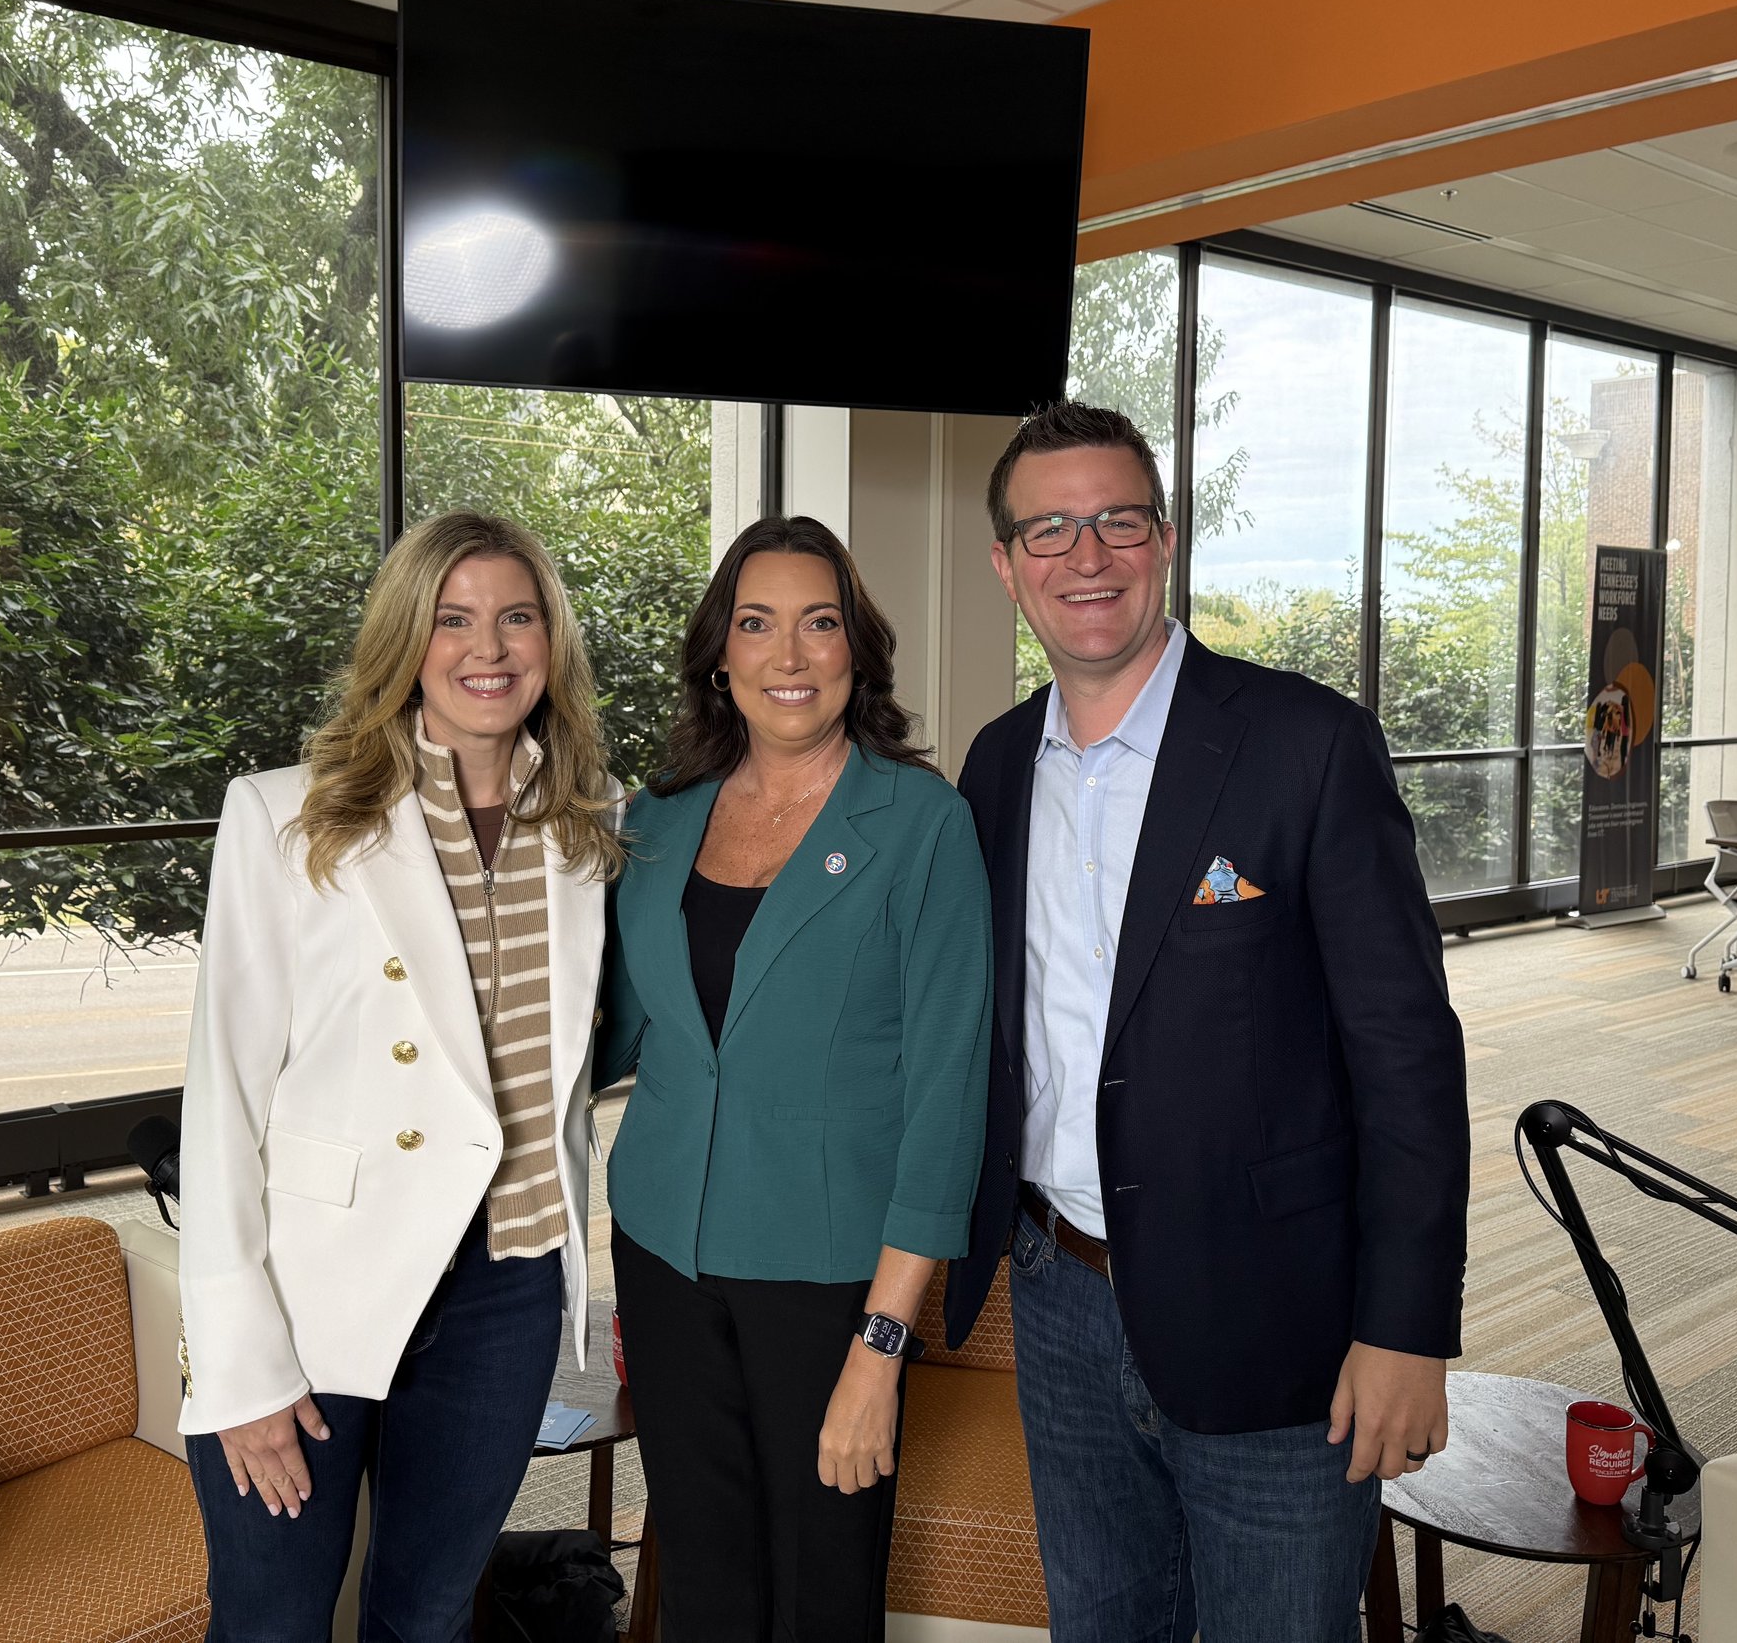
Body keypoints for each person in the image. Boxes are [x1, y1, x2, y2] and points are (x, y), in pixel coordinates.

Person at [943, 403, 1471, 1643]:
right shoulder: (995, 766)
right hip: (1059, 1294)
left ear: (1164, 540)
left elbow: (1405, 1057)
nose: (1087, 556)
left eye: (1117, 521)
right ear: (1005, 564)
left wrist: (1404, 1328)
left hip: (1273, 1312)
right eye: (1051, 530)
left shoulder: (1304, 744)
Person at [176, 511, 625, 1641]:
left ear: (550, 640)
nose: (489, 646)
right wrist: (240, 1367)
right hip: (320, 1284)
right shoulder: (287, 813)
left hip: (507, 1286)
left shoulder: (590, 825)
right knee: (271, 1619)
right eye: (453, 619)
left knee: (426, 1617)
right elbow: (222, 1101)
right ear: (405, 642)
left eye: (516, 617)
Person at [596, 514, 992, 1642]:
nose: (788, 654)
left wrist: (881, 1346)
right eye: (755, 624)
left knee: (822, 1588)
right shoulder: (658, 820)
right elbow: (612, 1031)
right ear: (718, 653)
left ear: (855, 650)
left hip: (832, 1278)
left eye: (819, 623)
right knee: (706, 1581)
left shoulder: (920, 824)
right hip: (666, 1248)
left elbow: (947, 1095)